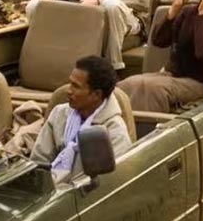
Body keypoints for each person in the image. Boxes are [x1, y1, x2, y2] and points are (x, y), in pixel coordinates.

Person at [31, 55, 134, 184]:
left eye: (76, 86)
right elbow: (39, 161)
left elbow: (108, 183)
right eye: (70, 83)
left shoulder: (114, 133)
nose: (68, 91)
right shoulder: (59, 114)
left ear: (96, 94)